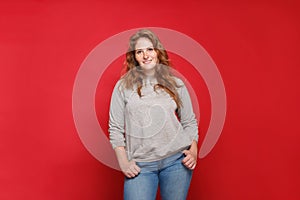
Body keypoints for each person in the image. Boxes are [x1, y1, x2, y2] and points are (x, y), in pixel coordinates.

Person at [108, 29, 199, 200]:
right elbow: (115, 128)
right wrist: (123, 162)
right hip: (141, 165)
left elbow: (189, 121)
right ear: (134, 57)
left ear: (158, 52)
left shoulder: (176, 84)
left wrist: (193, 152)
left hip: (176, 162)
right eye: (139, 51)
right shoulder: (122, 87)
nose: (145, 55)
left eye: (149, 49)